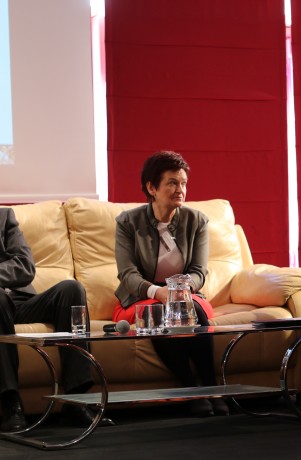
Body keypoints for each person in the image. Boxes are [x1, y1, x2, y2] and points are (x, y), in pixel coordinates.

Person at [113, 150, 228, 417]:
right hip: (143, 297)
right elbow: (127, 274)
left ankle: (211, 387)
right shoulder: (128, 222)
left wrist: (178, 292)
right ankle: (191, 389)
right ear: (151, 188)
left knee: (189, 308)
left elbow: (199, 272)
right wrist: (159, 292)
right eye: (172, 183)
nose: (180, 190)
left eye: (183, 183)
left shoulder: (196, 221)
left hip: (187, 295)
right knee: (157, 312)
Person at [0, 209, 114, 431]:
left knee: (71, 289)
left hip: (20, 302)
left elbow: (24, 266)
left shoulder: (3, 217)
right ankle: (10, 402)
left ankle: (76, 401)